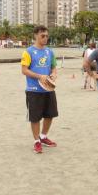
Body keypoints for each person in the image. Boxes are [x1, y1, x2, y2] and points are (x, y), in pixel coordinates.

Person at [21, 25, 58, 154]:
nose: (45, 38)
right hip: (33, 90)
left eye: (47, 36)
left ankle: (43, 136)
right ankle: (36, 141)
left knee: (50, 115)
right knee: (35, 118)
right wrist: (39, 76)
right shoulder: (28, 52)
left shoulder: (50, 52)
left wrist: (53, 74)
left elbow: (53, 66)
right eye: (43, 36)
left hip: (48, 89)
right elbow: (24, 70)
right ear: (36, 36)